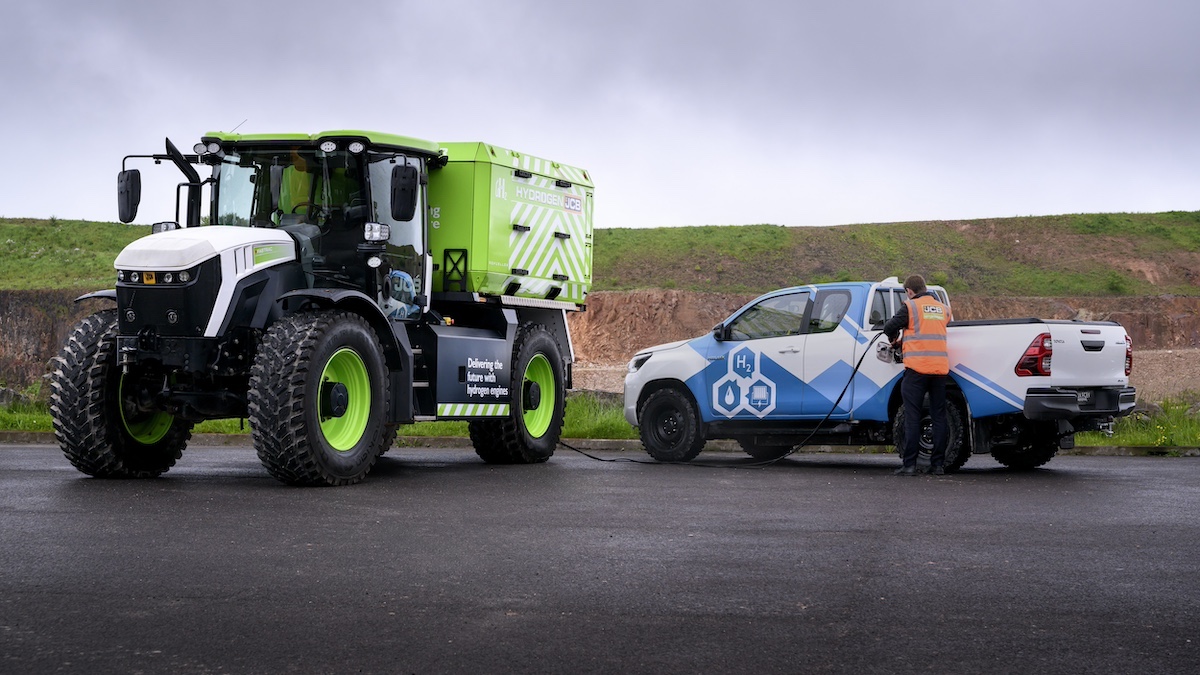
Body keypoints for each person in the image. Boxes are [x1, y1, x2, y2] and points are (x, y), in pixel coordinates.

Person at [882, 275, 951, 476]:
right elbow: (929, 331)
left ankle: (910, 465)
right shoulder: (942, 309)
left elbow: (889, 327)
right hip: (939, 370)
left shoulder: (910, 307)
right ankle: (938, 465)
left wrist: (896, 338)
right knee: (939, 416)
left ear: (910, 291)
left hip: (917, 370)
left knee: (912, 416)